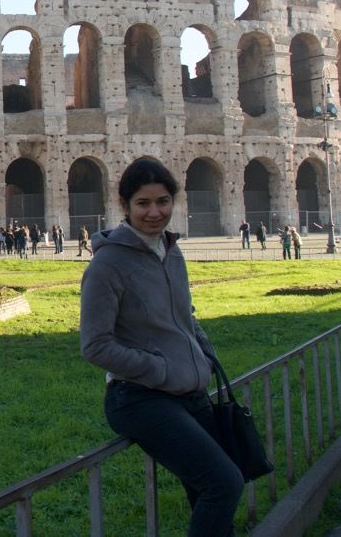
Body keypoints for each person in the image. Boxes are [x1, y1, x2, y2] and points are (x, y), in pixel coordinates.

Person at [80, 158, 244, 537]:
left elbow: (184, 315)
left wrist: (203, 356)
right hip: (138, 397)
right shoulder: (108, 264)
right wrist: (161, 369)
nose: (154, 212)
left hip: (189, 393)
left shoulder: (171, 251)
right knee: (224, 484)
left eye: (163, 201)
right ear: (124, 205)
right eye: (143, 203)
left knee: (212, 490)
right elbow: (95, 345)